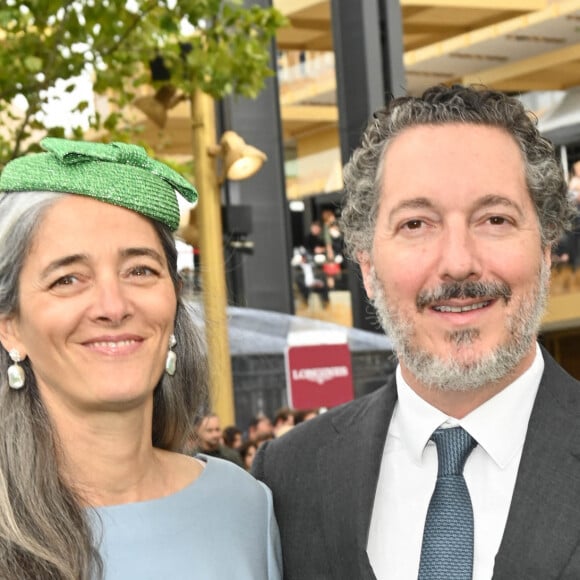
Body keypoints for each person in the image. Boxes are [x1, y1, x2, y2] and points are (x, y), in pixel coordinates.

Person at [252, 84, 580, 580]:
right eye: (415, 224)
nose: (458, 263)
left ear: (547, 246)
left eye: (494, 219)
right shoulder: (288, 478)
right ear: (366, 264)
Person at [0, 137, 281, 580]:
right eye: (68, 278)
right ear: (10, 326)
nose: (113, 306)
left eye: (140, 271)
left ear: (173, 299)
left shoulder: (246, 508)